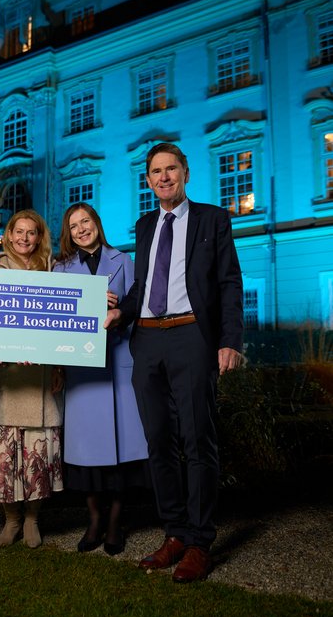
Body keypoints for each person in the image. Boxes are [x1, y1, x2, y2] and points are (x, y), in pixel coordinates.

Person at [105, 143, 244, 582]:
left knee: (198, 439)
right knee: (158, 442)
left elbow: (229, 283)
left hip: (191, 336)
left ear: (185, 173)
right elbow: (143, 286)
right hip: (147, 340)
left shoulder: (212, 219)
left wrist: (230, 341)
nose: (163, 177)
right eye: (156, 171)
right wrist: (121, 313)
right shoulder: (146, 225)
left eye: (171, 169)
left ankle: (200, 542)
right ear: (148, 180)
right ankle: (175, 533)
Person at [53, 203, 149, 556]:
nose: (81, 229)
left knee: (122, 451)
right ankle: (94, 520)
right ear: (68, 233)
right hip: (82, 371)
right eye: (74, 225)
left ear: (97, 223)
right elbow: (56, 318)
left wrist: (116, 308)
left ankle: (115, 524)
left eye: (86, 221)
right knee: (87, 451)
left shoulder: (124, 260)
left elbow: (137, 306)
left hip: (120, 364)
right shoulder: (60, 269)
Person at [0, 210, 63, 548]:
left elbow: (63, 328)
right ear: (9, 235)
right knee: (6, 454)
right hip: (8, 376)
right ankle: (11, 519)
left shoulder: (53, 273)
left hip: (41, 375)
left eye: (32, 232)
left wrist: (59, 367)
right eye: (19, 231)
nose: (25, 238)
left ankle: (32, 519)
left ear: (39, 237)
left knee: (36, 453)